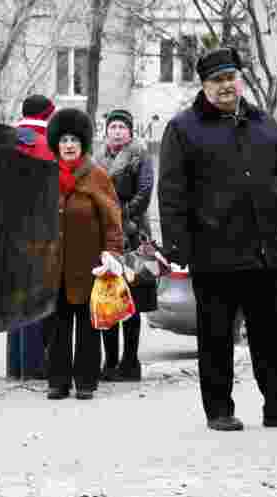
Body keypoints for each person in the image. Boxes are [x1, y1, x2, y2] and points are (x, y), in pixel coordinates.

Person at [158, 47, 277, 431]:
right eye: (217, 80)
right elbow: (171, 191)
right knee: (216, 336)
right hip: (213, 252)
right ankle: (219, 410)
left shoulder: (264, 124)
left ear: (239, 80)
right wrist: (178, 244)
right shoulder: (183, 128)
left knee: (273, 335)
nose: (225, 86)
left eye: (230, 77)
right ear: (204, 85)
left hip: (265, 249)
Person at [44, 107, 124, 401]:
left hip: (90, 265)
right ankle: (57, 381)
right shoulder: (47, 175)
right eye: (63, 140)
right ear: (56, 143)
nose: (68, 145)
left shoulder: (96, 176)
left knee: (89, 327)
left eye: (74, 140)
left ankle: (86, 381)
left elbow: (113, 220)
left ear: (82, 144)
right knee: (57, 326)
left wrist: (112, 253)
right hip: (55, 266)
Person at [94, 108, 155, 382]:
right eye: (113, 127)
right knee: (109, 297)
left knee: (132, 299)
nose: (117, 131)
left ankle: (131, 362)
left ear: (130, 132)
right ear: (106, 131)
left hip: (133, 233)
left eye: (122, 127)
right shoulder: (97, 159)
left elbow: (144, 193)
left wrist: (122, 215)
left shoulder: (139, 155)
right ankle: (110, 362)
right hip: (105, 237)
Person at [7, 94, 56, 381]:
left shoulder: (5, 140)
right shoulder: (49, 144)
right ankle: (35, 366)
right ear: (48, 115)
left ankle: (15, 366)